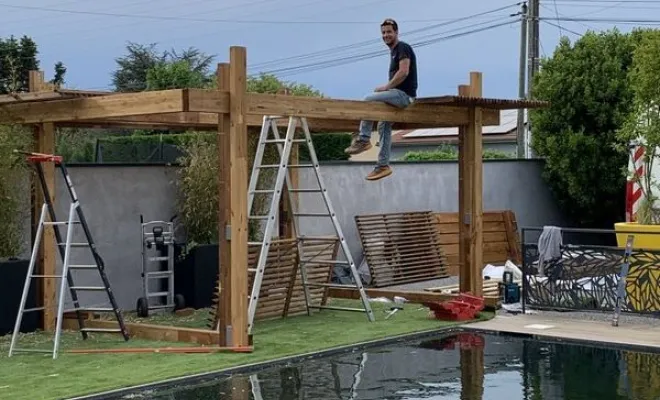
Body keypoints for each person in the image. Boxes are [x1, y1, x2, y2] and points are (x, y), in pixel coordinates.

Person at [344, 18, 418, 181]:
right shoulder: (394, 51)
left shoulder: (402, 48)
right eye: (383, 33)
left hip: (404, 96)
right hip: (397, 96)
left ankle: (363, 140)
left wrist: (387, 86)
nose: (386, 35)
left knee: (368, 99)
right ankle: (382, 165)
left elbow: (404, 72)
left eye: (389, 32)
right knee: (383, 124)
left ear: (396, 32)